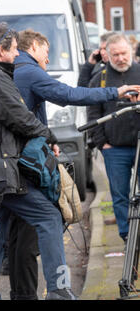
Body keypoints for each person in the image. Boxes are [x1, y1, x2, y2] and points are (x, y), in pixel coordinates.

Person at [9, 29, 140, 300]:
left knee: (20, 234)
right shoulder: (29, 71)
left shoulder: (11, 71)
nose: (48, 58)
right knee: (49, 218)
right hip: (24, 165)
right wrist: (116, 93)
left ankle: (26, 293)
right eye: (46, 51)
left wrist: (48, 137)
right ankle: (56, 289)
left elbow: (24, 117)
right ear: (34, 46)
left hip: (12, 164)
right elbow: (70, 93)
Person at [0, 22, 75, 300]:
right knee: (49, 217)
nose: (19, 55)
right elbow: (19, 116)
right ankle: (58, 289)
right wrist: (49, 135)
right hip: (3, 171)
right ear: (1, 50)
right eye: (15, 49)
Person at [87, 34, 140, 244]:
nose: (120, 58)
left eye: (124, 53)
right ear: (107, 55)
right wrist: (102, 143)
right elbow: (92, 112)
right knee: (119, 195)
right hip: (115, 148)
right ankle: (128, 237)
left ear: (132, 52)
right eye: (115, 54)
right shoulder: (99, 78)